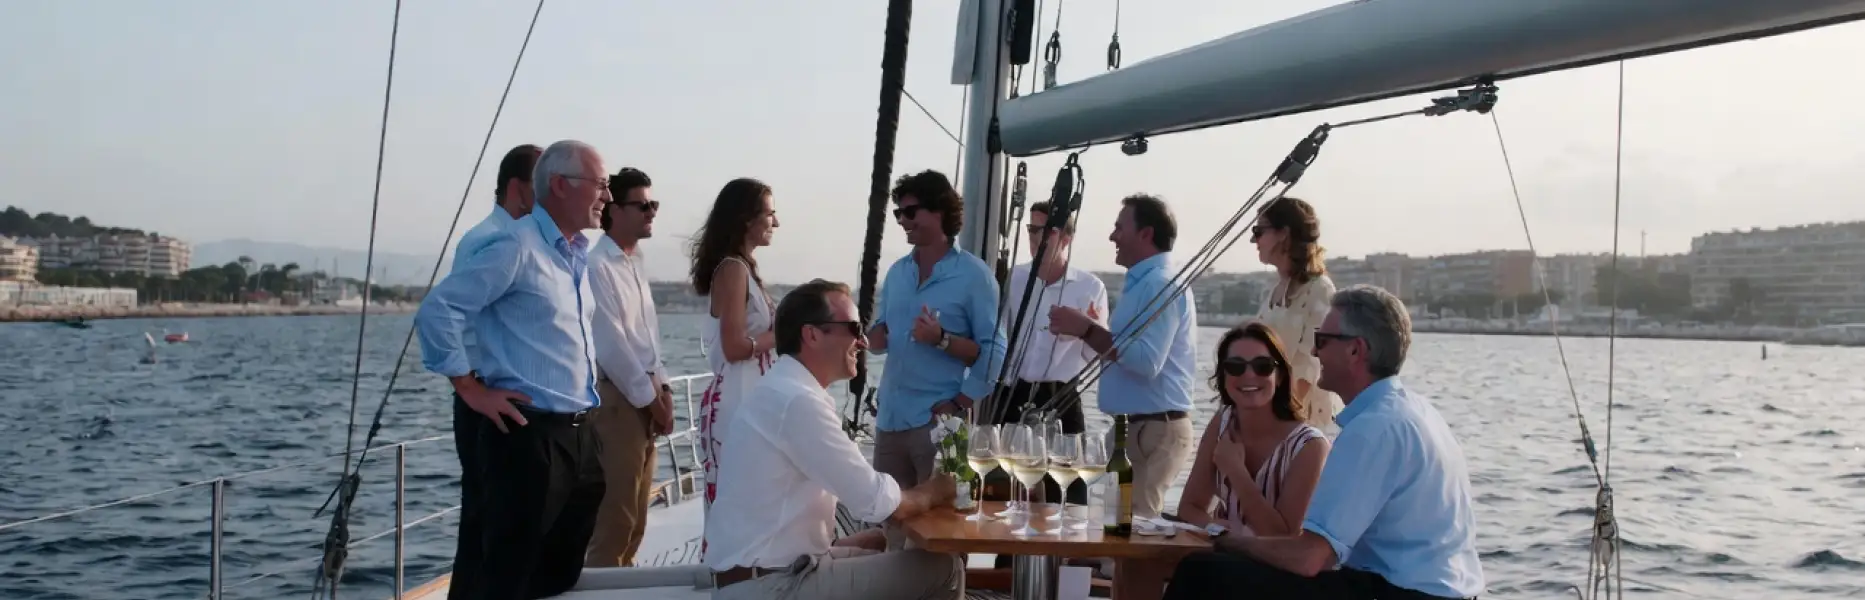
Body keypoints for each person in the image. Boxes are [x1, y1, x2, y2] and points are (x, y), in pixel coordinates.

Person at [1161, 285, 1484, 600]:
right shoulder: (1418, 412)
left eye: (1323, 340)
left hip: (1398, 592)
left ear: (1355, 350)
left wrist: (1229, 540)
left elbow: (1309, 558)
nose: (1314, 352)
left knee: (1202, 573)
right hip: (1440, 589)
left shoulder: (1371, 430)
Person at [415, 140, 612, 600]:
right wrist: (469, 387)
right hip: (530, 438)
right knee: (506, 577)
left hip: (580, 437)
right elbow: (438, 312)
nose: (607, 195)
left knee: (557, 576)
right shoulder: (514, 245)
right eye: (601, 185)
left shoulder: (576, 254)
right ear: (561, 186)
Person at [705, 279, 966, 600]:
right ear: (812, 334)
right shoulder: (798, 402)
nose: (864, 342)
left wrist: (834, 545)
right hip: (770, 586)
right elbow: (878, 503)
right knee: (943, 569)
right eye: (854, 329)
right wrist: (940, 487)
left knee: (875, 543)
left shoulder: (780, 389)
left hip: (758, 572)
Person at [1049, 193, 1198, 521]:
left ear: (1145, 234)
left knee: (1134, 533)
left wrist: (1087, 329)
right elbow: (1125, 354)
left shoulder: (1160, 284)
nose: (1112, 236)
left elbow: (1146, 363)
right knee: (1111, 529)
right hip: (1138, 430)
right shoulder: (1142, 285)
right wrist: (1088, 331)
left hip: (1156, 431)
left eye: (1119, 227)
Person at [865, 170, 1005, 487]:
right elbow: (881, 333)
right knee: (891, 523)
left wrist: (959, 403)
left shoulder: (975, 276)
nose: (902, 220)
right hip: (889, 422)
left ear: (939, 212)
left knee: (941, 528)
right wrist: (854, 338)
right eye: (899, 212)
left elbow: (995, 350)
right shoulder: (897, 273)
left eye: (910, 211)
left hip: (942, 424)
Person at [442, 143, 538, 598]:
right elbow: (448, 317)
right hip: (487, 400)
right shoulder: (494, 240)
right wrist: (470, 388)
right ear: (519, 190)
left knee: (500, 527)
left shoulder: (523, 241)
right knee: (486, 525)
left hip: (504, 400)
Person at [584, 167, 675, 568]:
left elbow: (647, 338)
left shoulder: (634, 261)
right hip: (620, 401)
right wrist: (652, 401)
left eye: (653, 204)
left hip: (646, 396)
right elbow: (612, 346)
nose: (651, 211)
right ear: (614, 210)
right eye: (643, 205)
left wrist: (666, 389)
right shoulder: (597, 266)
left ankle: (625, 583)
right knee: (616, 518)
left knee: (638, 517)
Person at [989, 200, 1107, 507]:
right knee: (1008, 498)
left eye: (1042, 231)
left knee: (1069, 501)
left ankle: (1065, 556)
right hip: (1013, 395)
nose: (1033, 238)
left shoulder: (1089, 287)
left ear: (1065, 238)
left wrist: (1081, 329)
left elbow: (1098, 356)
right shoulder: (1012, 280)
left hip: (1062, 398)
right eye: (1030, 229)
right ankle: (1008, 556)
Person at [1173, 322, 1329, 536]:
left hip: (1274, 567)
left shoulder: (1309, 446)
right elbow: (1189, 508)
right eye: (1235, 366)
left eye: (1262, 366)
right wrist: (1216, 528)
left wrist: (1236, 471)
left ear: (1280, 376)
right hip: (1225, 556)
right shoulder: (1223, 421)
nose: (1248, 375)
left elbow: (1283, 537)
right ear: (1223, 376)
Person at [691, 178, 782, 512]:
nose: (776, 223)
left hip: (751, 398)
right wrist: (783, 334)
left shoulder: (743, 269)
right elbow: (734, 347)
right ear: (747, 219)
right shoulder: (732, 270)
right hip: (736, 401)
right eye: (770, 214)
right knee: (736, 501)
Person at [1251, 196, 1341, 432]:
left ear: (1283, 233)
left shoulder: (1320, 290)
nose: (1253, 239)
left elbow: (1310, 366)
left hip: (1298, 422)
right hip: (1268, 413)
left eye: (1259, 230)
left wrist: (1277, 424)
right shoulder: (1276, 290)